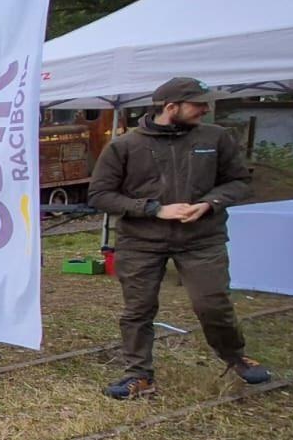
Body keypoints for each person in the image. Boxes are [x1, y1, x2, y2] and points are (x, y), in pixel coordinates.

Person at [87, 77, 270, 398]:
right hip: (141, 241)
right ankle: (139, 374)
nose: (205, 108)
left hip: (202, 238)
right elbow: (100, 195)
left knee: (212, 303)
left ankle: (234, 356)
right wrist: (153, 209)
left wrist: (209, 203)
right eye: (198, 104)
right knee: (138, 310)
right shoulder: (125, 145)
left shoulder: (216, 138)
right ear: (171, 108)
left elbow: (239, 182)